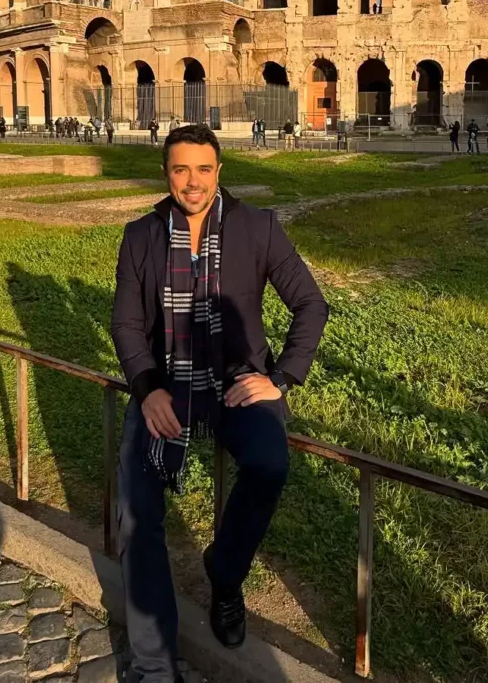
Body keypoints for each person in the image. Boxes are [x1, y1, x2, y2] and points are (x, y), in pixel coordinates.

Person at [112, 125, 328, 683]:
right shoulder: (141, 236)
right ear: (166, 173)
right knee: (137, 513)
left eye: (203, 169)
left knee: (270, 462)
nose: (192, 182)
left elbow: (310, 304)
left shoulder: (258, 227)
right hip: (166, 385)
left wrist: (281, 376)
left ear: (219, 171)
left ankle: (225, 576)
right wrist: (146, 386)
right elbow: (128, 325)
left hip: (235, 382)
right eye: (180, 169)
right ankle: (156, 666)